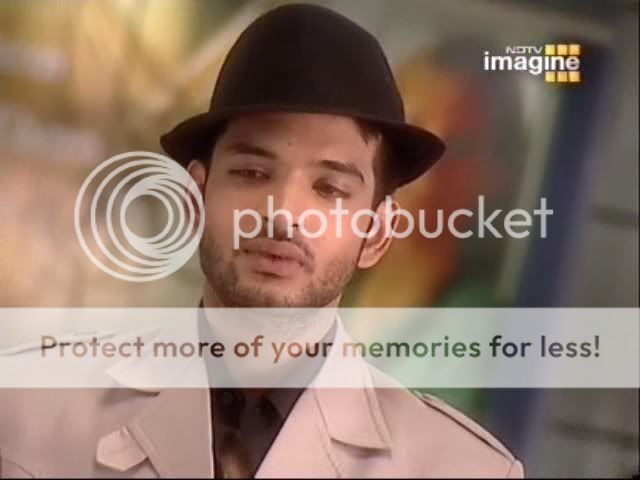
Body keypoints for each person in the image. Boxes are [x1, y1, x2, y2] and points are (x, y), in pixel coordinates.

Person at [0, 4, 523, 478]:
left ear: (378, 233)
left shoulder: (462, 470)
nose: (283, 213)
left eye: (330, 188)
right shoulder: (24, 408)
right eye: (252, 172)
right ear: (194, 199)